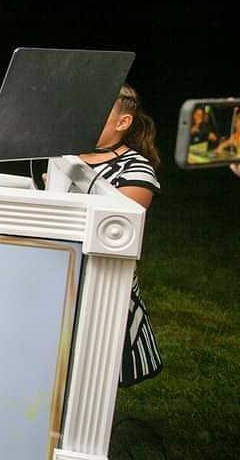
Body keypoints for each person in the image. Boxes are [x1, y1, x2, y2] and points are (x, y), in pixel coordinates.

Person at [79, 84, 163, 387]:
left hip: (105, 284)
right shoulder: (64, 158)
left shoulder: (136, 170)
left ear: (123, 123)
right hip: (64, 277)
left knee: (95, 373)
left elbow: (117, 229)